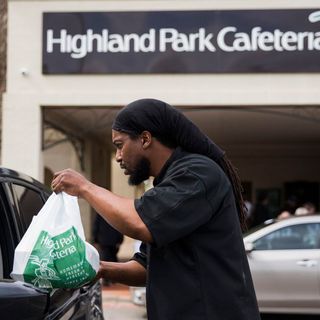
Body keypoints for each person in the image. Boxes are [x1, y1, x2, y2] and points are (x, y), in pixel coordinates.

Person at [51, 98, 260, 320]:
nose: (119, 157)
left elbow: (139, 222)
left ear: (145, 138)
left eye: (120, 145)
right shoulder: (169, 183)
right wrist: (100, 268)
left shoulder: (197, 174)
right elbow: (147, 267)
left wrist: (84, 187)